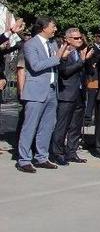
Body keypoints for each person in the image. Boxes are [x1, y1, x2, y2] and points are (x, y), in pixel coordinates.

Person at [17, 18, 68, 173]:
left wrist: (61, 57)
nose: (55, 29)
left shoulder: (53, 44)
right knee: (30, 127)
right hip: (35, 92)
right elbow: (36, 66)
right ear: (43, 28)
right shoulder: (30, 44)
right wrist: (57, 58)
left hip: (52, 90)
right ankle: (24, 160)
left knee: (47, 127)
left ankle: (42, 157)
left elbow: (55, 63)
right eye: (53, 26)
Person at [50, 27, 93, 165]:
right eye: (76, 38)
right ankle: (57, 152)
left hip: (79, 93)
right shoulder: (64, 53)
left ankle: (72, 152)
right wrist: (81, 61)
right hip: (66, 94)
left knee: (76, 126)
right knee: (62, 125)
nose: (79, 40)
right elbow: (64, 72)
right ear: (67, 39)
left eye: (80, 37)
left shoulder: (79, 52)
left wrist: (86, 62)